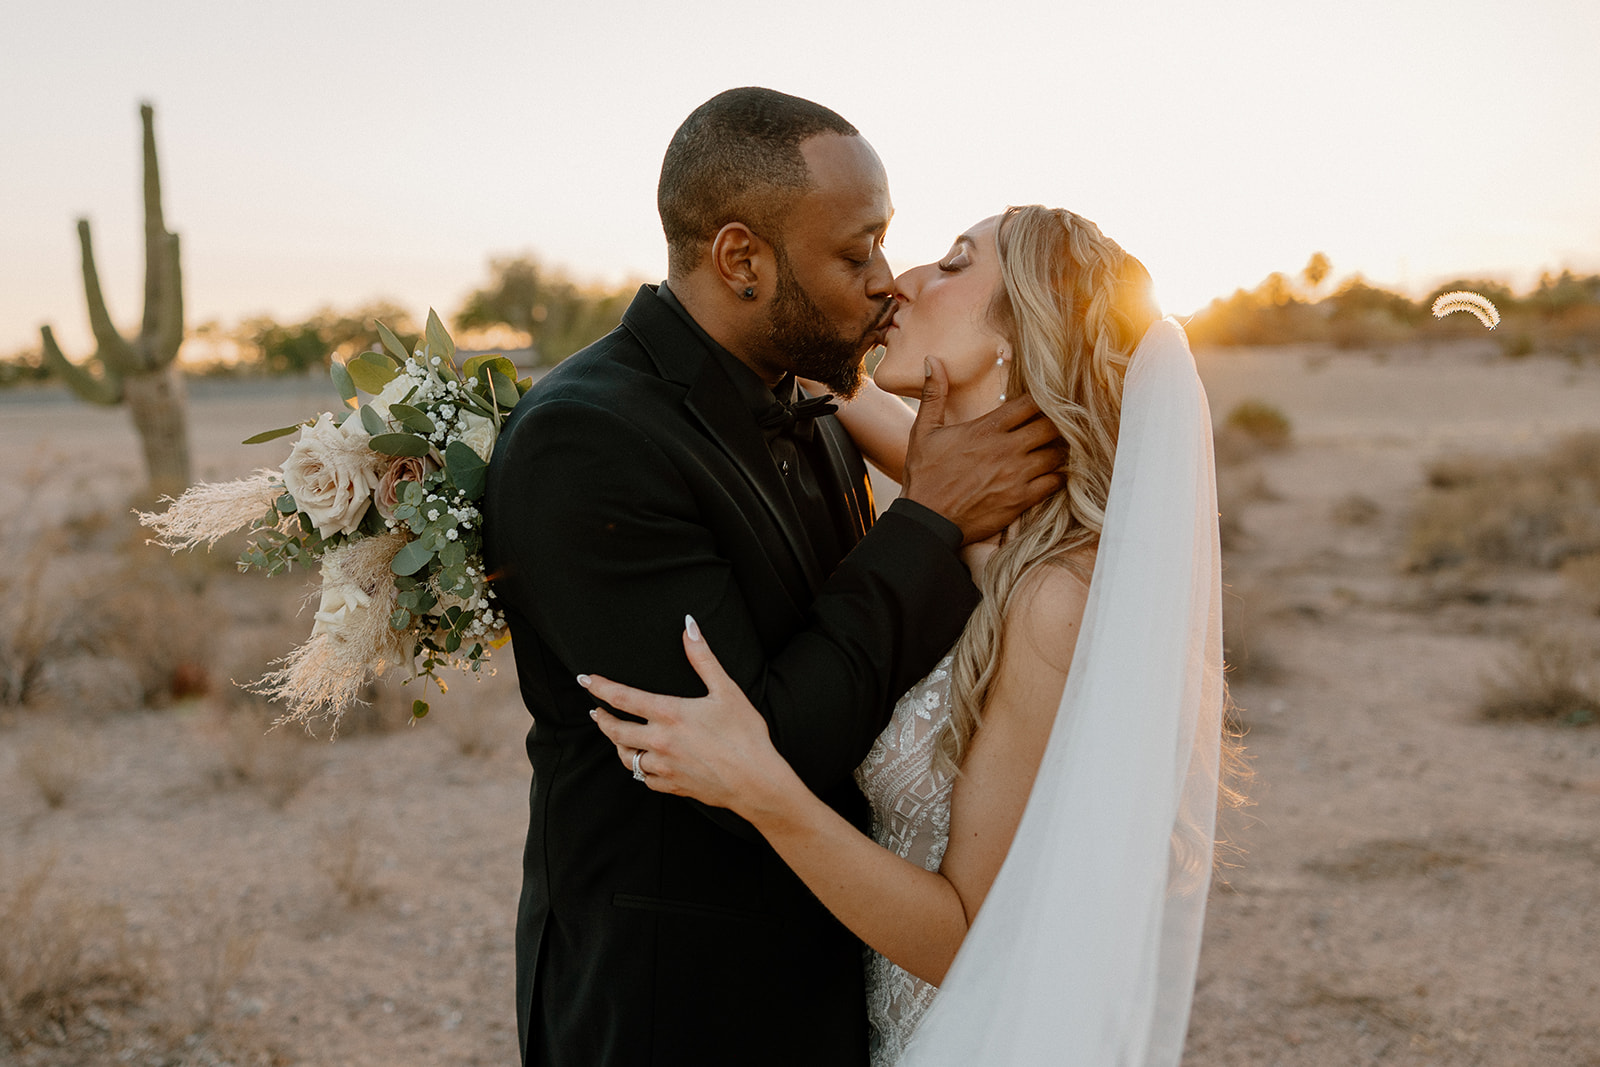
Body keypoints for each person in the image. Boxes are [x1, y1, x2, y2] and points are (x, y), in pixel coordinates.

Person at [480, 89, 1066, 1066]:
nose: (885, 279)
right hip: (676, 1000)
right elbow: (755, 745)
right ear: (741, 259)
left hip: (840, 960)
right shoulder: (587, 440)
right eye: (854, 251)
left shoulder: (807, 398)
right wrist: (928, 521)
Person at [586, 206, 1228, 1065]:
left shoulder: (1051, 600)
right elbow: (857, 418)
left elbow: (973, 940)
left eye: (957, 264)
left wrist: (759, 787)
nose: (905, 279)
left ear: (1019, 333)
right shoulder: (983, 514)